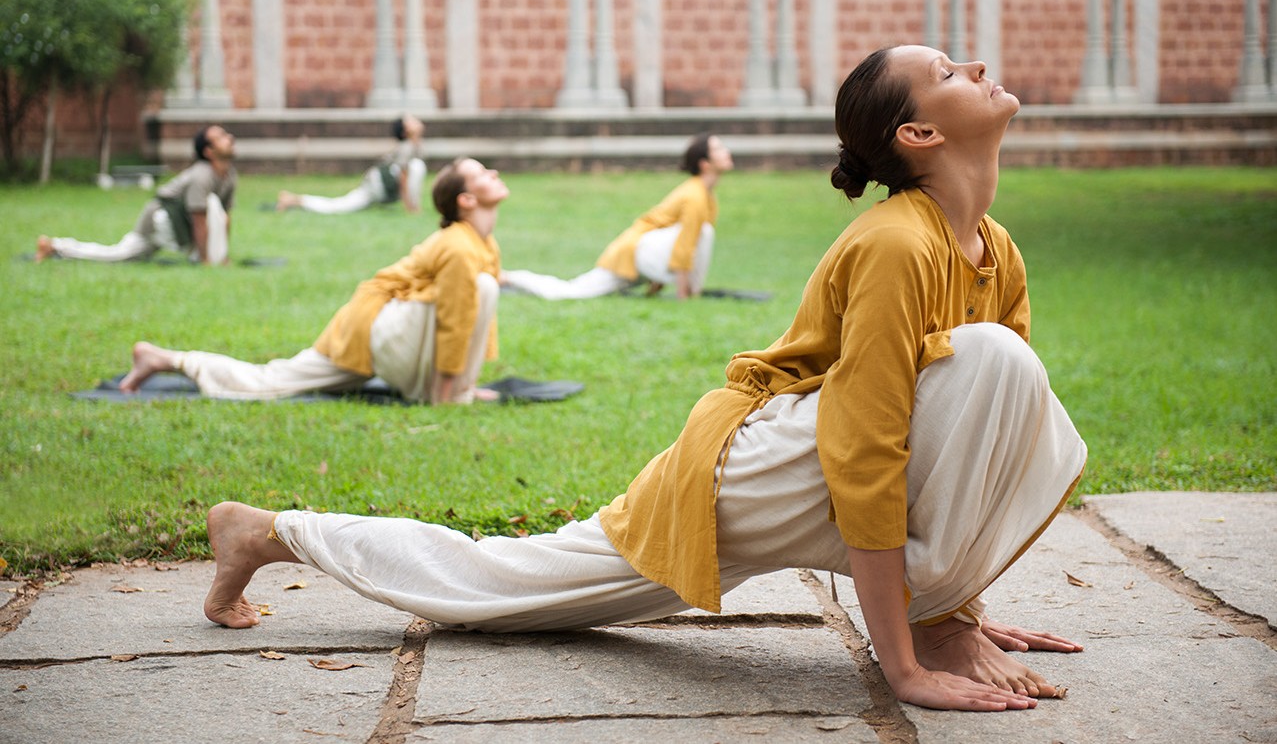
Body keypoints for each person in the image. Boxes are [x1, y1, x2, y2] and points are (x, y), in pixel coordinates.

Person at [199, 46, 1088, 713]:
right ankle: (268, 532)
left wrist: (953, 609)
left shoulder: (992, 248)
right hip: (759, 469)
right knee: (500, 586)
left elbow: (974, 446)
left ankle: (939, 619)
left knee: (1015, 383)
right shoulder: (896, 241)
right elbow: (865, 443)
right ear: (918, 133)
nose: (973, 64)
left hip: (820, 471)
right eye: (946, 68)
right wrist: (904, 665)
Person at [119, 157, 506, 405]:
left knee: (273, 379)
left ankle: (168, 359)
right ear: (466, 200)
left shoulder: (480, 241)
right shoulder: (458, 246)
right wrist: (443, 397)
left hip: (393, 331)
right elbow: (455, 320)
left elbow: (468, 318)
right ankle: (454, 392)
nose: (494, 173)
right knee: (484, 288)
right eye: (482, 174)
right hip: (378, 329)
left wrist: (464, 384)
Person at [501, 133, 732, 300]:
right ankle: (511, 277)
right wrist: (684, 295)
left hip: (644, 254)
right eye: (719, 149)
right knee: (571, 291)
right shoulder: (695, 196)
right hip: (634, 252)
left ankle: (512, 278)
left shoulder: (703, 193)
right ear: (704, 163)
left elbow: (680, 240)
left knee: (575, 289)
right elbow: (683, 246)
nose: (727, 152)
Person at [36, 125, 237, 265]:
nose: (229, 138)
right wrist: (206, 261)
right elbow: (199, 219)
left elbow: (224, 218)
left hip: (180, 223)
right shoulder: (201, 176)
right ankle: (55, 246)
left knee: (124, 257)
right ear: (209, 151)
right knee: (118, 255)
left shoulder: (229, 175)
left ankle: (55, 247)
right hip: (161, 218)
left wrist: (223, 255)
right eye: (221, 137)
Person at [275, 114, 428, 215]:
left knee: (340, 205)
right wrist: (411, 208)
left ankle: (294, 200)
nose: (416, 121)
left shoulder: (411, 146)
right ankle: (293, 200)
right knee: (339, 206)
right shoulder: (406, 148)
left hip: (377, 183)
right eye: (411, 120)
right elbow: (403, 176)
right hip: (378, 184)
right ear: (405, 131)